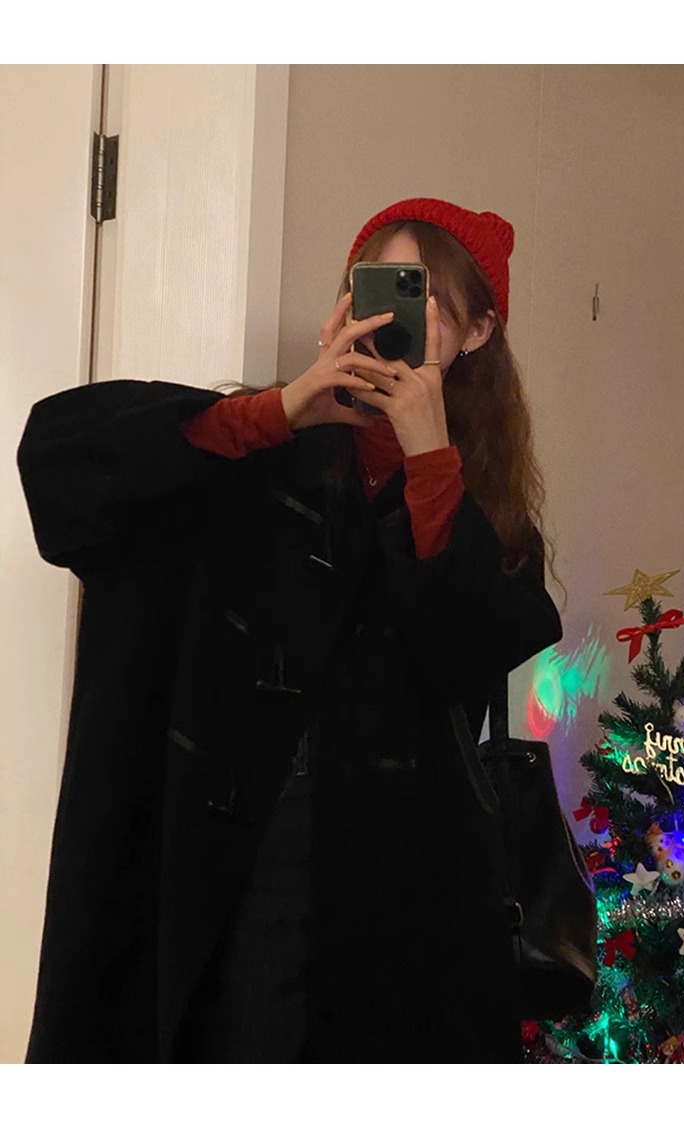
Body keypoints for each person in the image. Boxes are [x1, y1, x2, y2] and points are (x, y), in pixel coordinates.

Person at [17, 197, 562, 1064]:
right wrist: (280, 409)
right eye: (373, 288)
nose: (390, 317)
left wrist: (429, 457)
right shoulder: (261, 446)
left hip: (403, 894)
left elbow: (466, 652)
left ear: (476, 332)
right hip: (248, 861)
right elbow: (64, 467)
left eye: (423, 297)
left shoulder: (482, 507)